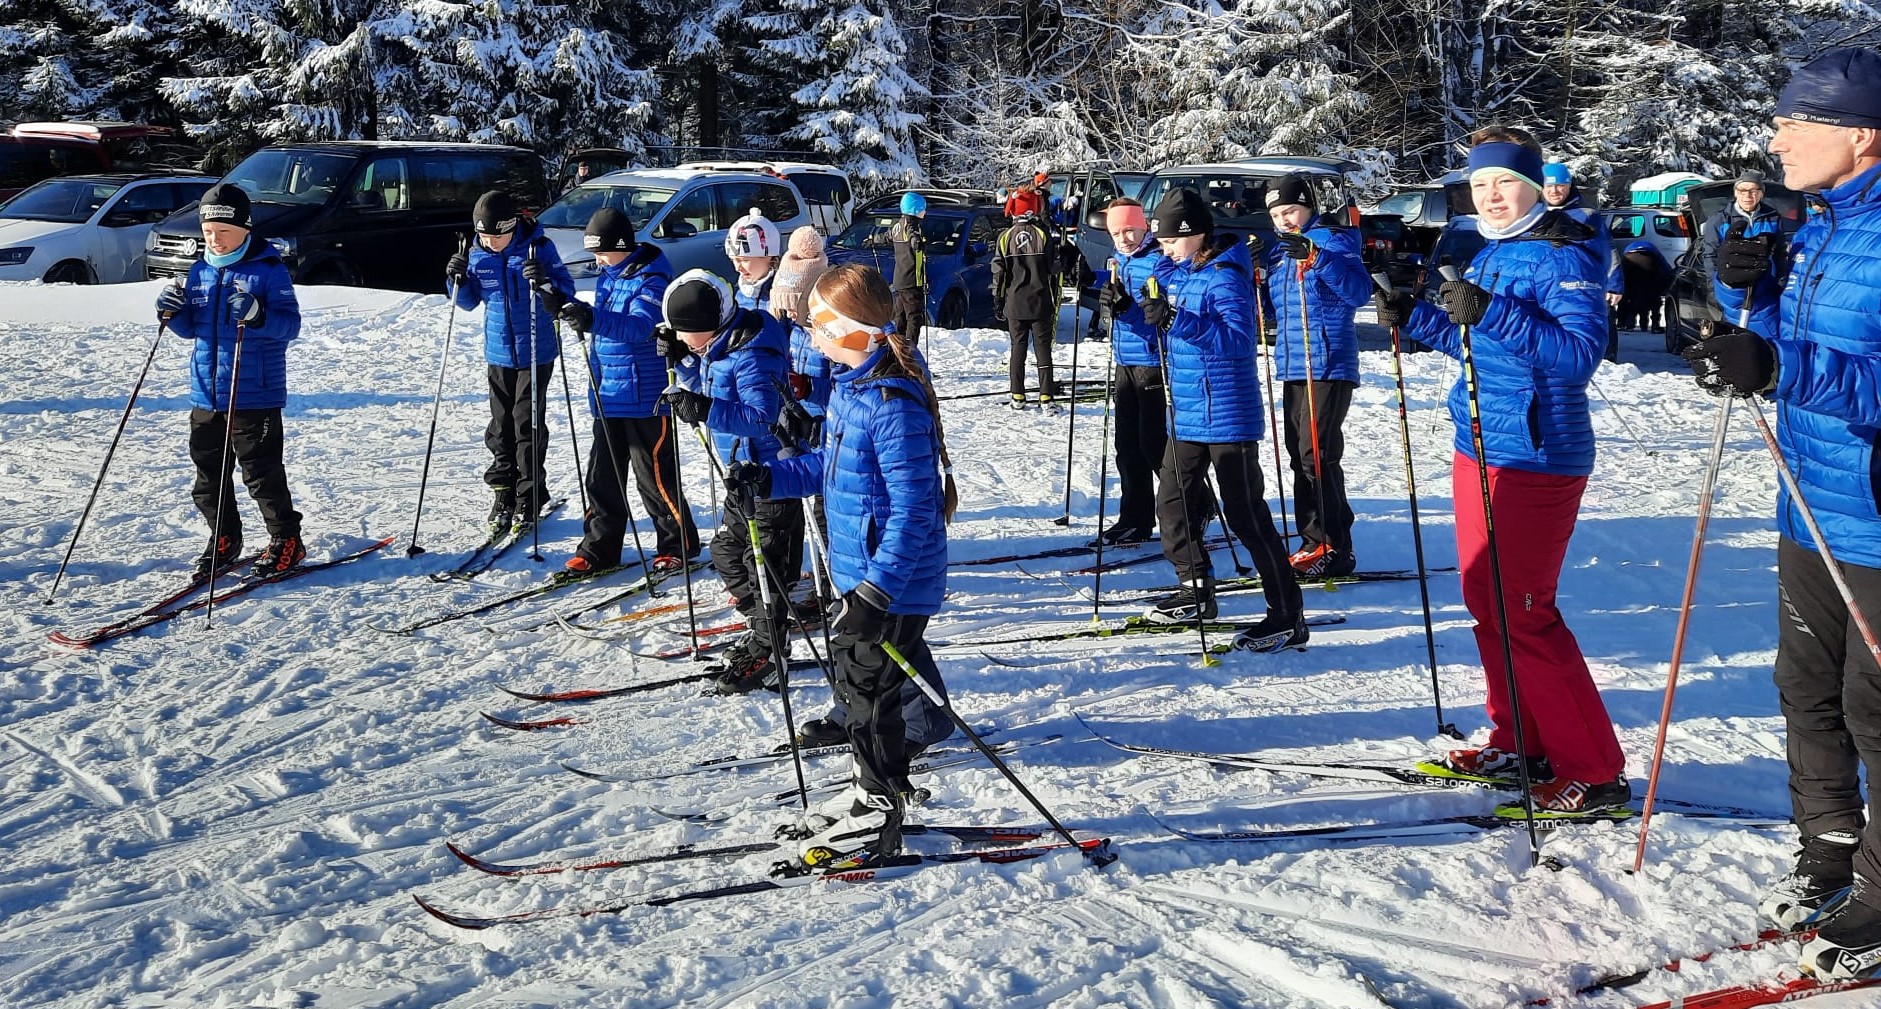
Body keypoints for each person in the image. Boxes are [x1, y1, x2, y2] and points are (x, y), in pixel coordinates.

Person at [1679, 47, 1881, 980]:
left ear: (1861, 136)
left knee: (1875, 713)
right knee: (1805, 692)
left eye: (1798, 122)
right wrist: (1738, 285)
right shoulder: (1822, 227)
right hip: (1808, 507)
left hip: (1876, 522)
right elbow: (1770, 337)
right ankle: (1830, 853)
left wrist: (1782, 368)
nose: (1777, 139)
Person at [1375, 125, 1626, 815]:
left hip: (1537, 456)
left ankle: (1593, 771)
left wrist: (1491, 310)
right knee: (1487, 601)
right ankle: (1522, 739)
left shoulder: (1562, 254)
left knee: (1524, 612)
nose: (1489, 194)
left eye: (1502, 183)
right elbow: (1473, 343)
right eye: (1480, 184)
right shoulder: (1492, 251)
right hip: (1477, 444)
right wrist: (1417, 318)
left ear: (1532, 183)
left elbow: (1577, 356)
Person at [726, 263, 958, 866]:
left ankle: (880, 804)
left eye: (819, 325)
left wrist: (876, 594)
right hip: (864, 571)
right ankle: (870, 788)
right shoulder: (852, 387)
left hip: (893, 580)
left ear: (851, 331)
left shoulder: (890, 402)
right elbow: (830, 469)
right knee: (859, 689)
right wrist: (769, 475)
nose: (809, 333)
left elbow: (914, 511)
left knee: (872, 695)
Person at [1136, 188, 1304, 650]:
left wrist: (1174, 320)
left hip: (1227, 415)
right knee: (1172, 505)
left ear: (1194, 233)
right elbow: (1166, 325)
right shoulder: (1185, 272)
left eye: (1171, 238)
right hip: (1188, 414)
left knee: (1246, 517)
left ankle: (1287, 614)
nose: (1163, 246)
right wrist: (1130, 311)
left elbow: (1235, 341)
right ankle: (1195, 589)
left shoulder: (1225, 276)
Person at [659, 270, 799, 695]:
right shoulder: (722, 347)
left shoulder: (753, 354)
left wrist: (703, 408)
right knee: (726, 552)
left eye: (688, 334)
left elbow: (762, 416)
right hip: (741, 476)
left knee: (765, 568)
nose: (684, 339)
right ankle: (762, 632)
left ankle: (771, 651)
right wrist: (683, 363)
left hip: (770, 478)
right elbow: (709, 385)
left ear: (713, 325)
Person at [155, 183, 305, 579]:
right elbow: (194, 328)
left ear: (245, 228)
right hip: (205, 392)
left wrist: (257, 315)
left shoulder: (269, 272)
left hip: (254, 391)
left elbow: (290, 326)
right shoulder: (201, 271)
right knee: (208, 474)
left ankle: (286, 538)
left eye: (223, 231)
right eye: (207, 232)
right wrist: (172, 314)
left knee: (261, 474)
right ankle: (223, 536)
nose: (214, 239)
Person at [556, 207, 697, 576]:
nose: (598, 260)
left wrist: (593, 318)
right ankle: (599, 548)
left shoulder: (652, 279)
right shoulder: (609, 277)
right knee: (602, 477)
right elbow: (603, 334)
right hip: (611, 395)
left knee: (654, 479)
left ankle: (676, 543)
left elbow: (639, 327)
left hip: (646, 397)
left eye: (602, 251)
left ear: (621, 245)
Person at [1259, 173, 1372, 578]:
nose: (1285, 219)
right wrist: (1256, 280)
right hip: (1293, 362)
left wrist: (1317, 259)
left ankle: (1331, 544)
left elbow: (1359, 293)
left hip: (1328, 360)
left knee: (1317, 455)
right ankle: (1317, 539)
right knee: (1300, 455)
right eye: (1277, 213)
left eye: (1291, 209)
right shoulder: (1280, 252)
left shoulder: (1333, 241)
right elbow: (1277, 310)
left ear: (1309, 207)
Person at [447, 190, 575, 535]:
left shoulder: (538, 248)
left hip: (536, 349)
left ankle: (530, 495)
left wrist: (545, 282)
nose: (492, 243)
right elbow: (468, 301)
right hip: (499, 351)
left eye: (498, 236)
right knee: (500, 425)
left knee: (526, 423)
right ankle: (503, 492)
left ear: (512, 226)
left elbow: (566, 291)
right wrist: (456, 278)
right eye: (486, 237)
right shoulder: (477, 253)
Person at [1094, 197, 1167, 545]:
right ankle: (1135, 517)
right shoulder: (1119, 260)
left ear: (1144, 227)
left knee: (1154, 444)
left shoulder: (1157, 261)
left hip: (1153, 364)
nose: (1123, 238)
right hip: (1125, 361)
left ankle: (1193, 507)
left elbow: (1160, 317)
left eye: (1130, 230)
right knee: (1127, 446)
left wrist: (1127, 309)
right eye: (1116, 232)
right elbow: (1108, 295)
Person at [1541, 162, 1625, 361]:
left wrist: (1614, 285)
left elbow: (1608, 250)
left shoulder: (1586, 214)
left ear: (1569, 185)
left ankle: (1605, 361)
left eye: (1560, 185)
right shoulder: (1533, 215)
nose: (1554, 191)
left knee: (1596, 326)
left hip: (1584, 285)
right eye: (1549, 186)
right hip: (1546, 285)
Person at [993, 210, 1062, 408]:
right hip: (1040, 301)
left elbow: (999, 272)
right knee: (1043, 348)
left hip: (1015, 302)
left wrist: (997, 299)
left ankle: (1017, 395)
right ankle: (1046, 396)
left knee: (1018, 348)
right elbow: (1053, 268)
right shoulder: (1042, 234)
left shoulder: (1005, 237)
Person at [888, 193, 928, 344]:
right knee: (914, 317)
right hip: (912, 280)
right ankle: (910, 350)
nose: (925, 212)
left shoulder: (898, 226)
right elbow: (913, 236)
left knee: (900, 316)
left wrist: (873, 239)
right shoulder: (912, 225)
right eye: (923, 209)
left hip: (899, 280)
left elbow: (887, 236)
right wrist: (916, 242)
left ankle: (897, 348)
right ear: (915, 209)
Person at [726, 207, 782, 313]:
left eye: (744, 260)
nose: (737, 268)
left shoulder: (786, 295)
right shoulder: (738, 294)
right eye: (733, 260)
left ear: (769, 257)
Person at [1616, 240, 1672, 332]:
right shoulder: (1655, 251)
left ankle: (1623, 323)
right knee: (1653, 294)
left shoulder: (1628, 248)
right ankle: (1654, 325)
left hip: (1629, 258)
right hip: (1648, 258)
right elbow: (1666, 268)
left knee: (1628, 293)